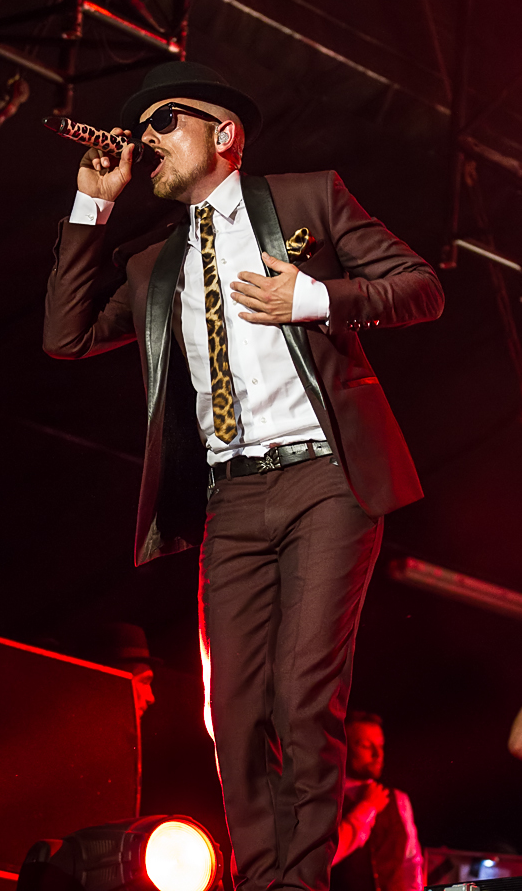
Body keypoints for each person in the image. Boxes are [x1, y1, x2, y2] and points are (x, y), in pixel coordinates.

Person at [43, 61, 444, 891]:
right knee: (231, 712)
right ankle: (262, 882)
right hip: (230, 496)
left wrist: (316, 299)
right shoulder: (154, 263)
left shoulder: (307, 199)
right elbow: (65, 336)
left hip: (325, 477)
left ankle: (298, 885)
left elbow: (420, 289)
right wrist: (92, 205)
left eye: (164, 121)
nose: (147, 138)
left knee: (301, 695)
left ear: (223, 134)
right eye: (141, 129)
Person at [332, 712, 423, 891]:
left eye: (381, 745)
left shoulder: (398, 800)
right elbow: (319, 859)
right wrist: (367, 808)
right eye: (366, 746)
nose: (378, 754)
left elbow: (410, 864)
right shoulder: (324, 797)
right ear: (343, 747)